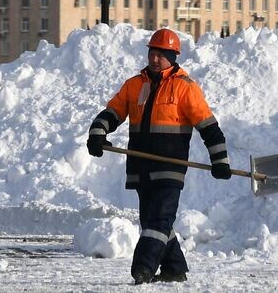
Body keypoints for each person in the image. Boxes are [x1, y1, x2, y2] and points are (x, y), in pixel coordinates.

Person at [87, 28, 232, 285]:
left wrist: (220, 161)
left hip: (169, 167)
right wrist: (98, 133)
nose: (155, 59)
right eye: (153, 53)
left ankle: (143, 267)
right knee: (153, 221)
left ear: (173, 57)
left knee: (159, 219)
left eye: (161, 55)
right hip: (141, 166)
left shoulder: (185, 88)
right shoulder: (134, 85)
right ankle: (174, 268)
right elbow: (113, 112)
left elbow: (209, 127)